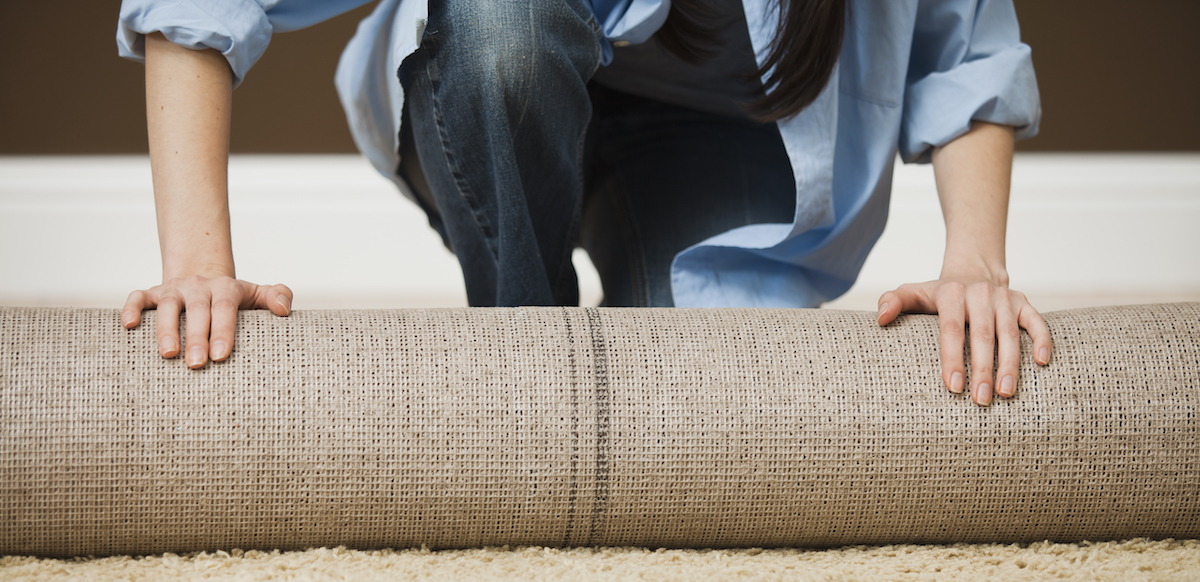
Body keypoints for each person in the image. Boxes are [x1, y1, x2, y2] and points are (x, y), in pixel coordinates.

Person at [116, 0, 1052, 406]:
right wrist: (199, 267)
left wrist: (976, 263)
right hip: (498, 69)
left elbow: (962, 47)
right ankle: (523, 365)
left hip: (717, 133)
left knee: (687, 413)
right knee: (505, 33)